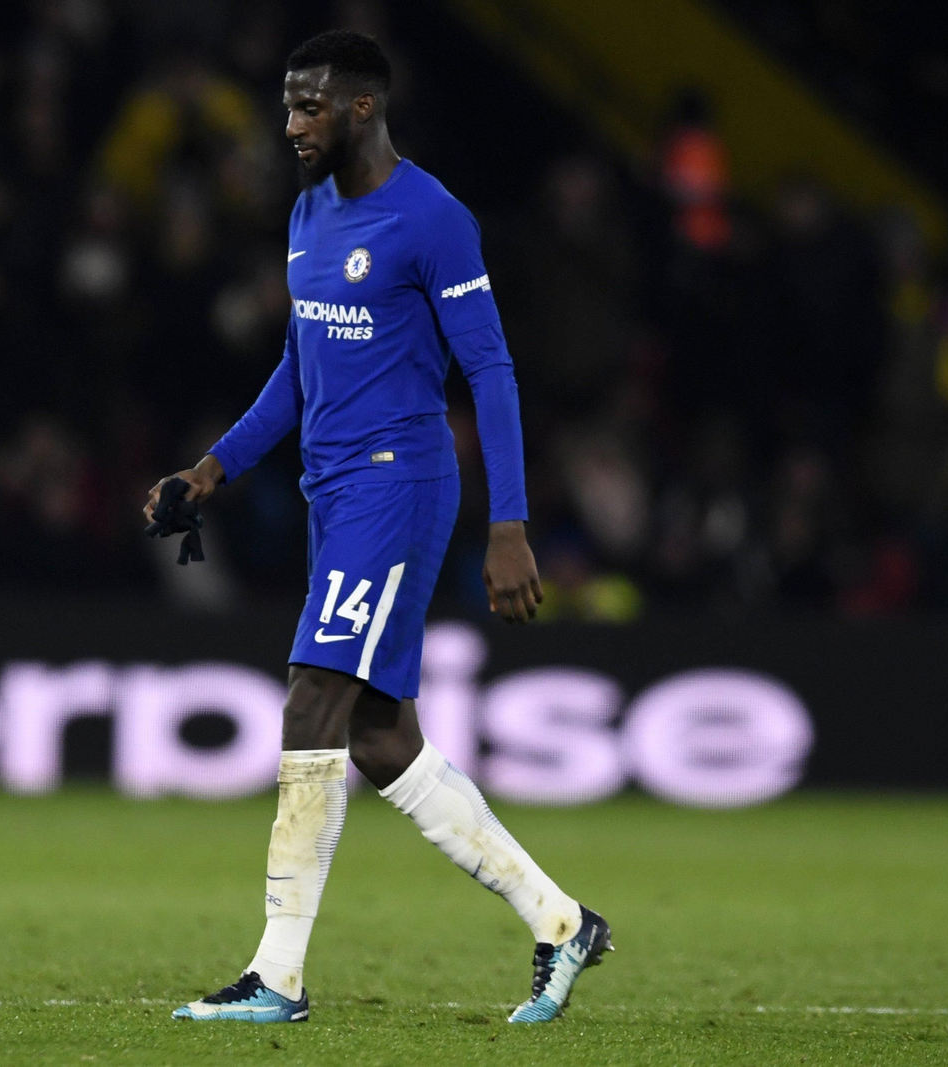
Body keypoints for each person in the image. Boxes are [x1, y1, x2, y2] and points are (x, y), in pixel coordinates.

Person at [148, 30, 611, 1025]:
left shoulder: (433, 218)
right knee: (381, 735)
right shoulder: (309, 212)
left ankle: (275, 975)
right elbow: (296, 367)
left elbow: (489, 369)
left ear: (363, 107)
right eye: (285, 104)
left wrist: (509, 524)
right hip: (334, 491)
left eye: (308, 105)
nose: (289, 125)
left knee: (313, 693)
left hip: (400, 485)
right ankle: (560, 920)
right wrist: (212, 467)